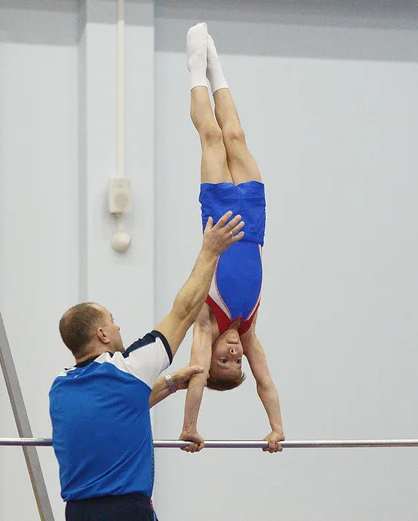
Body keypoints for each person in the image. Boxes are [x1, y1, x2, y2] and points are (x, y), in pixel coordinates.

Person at [49, 210, 245, 521]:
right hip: (126, 510)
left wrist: (169, 384)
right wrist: (211, 250)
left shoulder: (61, 387)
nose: (118, 328)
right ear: (101, 334)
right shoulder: (128, 369)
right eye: (112, 323)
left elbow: (114, 411)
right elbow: (183, 312)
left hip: (78, 513)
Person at [178, 23, 285, 454]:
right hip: (255, 226)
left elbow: (196, 374)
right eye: (235, 361)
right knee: (236, 135)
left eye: (225, 359)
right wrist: (276, 428)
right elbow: (267, 383)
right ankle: (216, 62)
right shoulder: (250, 329)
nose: (235, 353)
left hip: (221, 219)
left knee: (212, 137)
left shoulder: (206, 325)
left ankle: (195, 68)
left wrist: (190, 425)